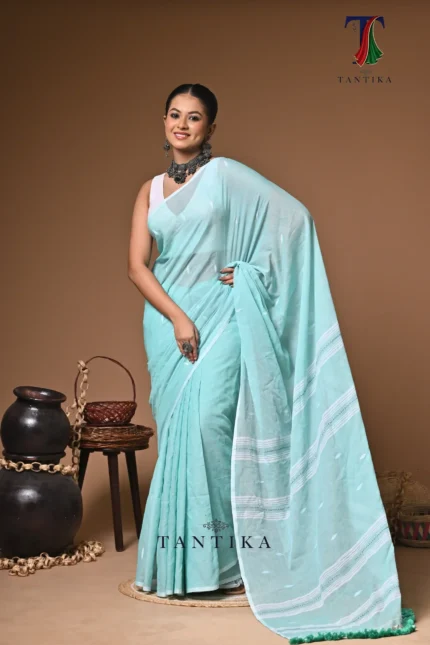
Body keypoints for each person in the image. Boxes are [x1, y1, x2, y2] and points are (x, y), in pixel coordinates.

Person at [127, 83, 415, 643]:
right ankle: (180, 567)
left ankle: (228, 564)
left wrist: (249, 270)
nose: (182, 125)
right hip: (168, 324)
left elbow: (295, 221)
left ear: (210, 129)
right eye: (174, 115)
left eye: (194, 117)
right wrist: (178, 318)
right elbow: (138, 266)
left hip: (224, 317)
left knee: (211, 427)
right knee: (179, 435)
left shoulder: (226, 176)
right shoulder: (148, 191)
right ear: (163, 122)